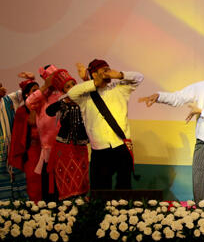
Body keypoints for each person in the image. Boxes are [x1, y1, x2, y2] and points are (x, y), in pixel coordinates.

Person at [139, 51, 204, 203]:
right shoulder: (203, 86)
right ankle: (202, 218)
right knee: (200, 183)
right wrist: (159, 96)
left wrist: (202, 111)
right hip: (202, 142)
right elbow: (179, 97)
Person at [67, 59, 143, 191]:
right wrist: (92, 82)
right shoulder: (85, 96)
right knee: (100, 191)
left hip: (121, 146)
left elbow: (139, 77)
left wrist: (119, 75)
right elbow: (71, 93)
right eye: (104, 71)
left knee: (124, 189)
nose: (108, 73)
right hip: (99, 150)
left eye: (109, 70)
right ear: (94, 74)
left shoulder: (119, 88)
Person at [45, 69, 90, 199]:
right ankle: (67, 208)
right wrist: (64, 100)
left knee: (81, 178)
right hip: (64, 147)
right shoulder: (62, 103)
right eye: (68, 87)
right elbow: (49, 111)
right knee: (65, 178)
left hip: (80, 148)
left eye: (73, 85)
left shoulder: (84, 100)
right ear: (63, 90)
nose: (71, 88)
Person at [25, 65, 63, 200]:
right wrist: (44, 87)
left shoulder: (63, 93)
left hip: (65, 149)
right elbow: (29, 102)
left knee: (64, 187)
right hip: (48, 150)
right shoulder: (41, 96)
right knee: (49, 188)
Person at [9, 76, 43, 201]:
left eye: (39, 90)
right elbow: (19, 136)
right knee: (34, 181)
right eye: (34, 90)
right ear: (27, 94)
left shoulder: (44, 108)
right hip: (32, 152)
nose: (38, 93)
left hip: (46, 151)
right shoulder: (22, 111)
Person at [0, 81, 28, 200]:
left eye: (1, 85)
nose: (2, 88)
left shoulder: (10, 99)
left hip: (13, 148)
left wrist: (29, 82)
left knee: (18, 177)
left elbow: (29, 92)